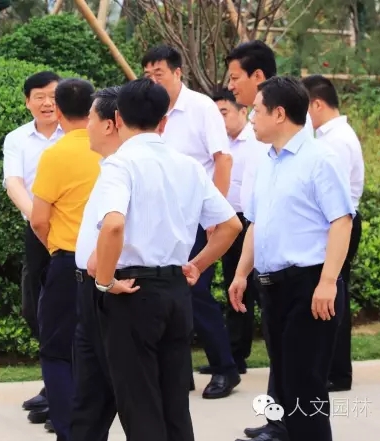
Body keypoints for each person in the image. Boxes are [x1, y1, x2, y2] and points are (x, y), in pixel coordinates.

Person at [91, 77, 243, 441]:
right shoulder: (188, 166)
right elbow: (230, 225)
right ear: (164, 121)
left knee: (140, 403)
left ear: (118, 118)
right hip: (176, 289)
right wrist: (198, 265)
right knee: (175, 404)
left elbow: (113, 225)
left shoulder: (119, 165)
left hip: (133, 290)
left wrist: (105, 282)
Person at [229, 76, 355, 441]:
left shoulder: (320, 159)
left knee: (304, 388)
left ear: (279, 114)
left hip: (309, 287)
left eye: (257, 110)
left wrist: (328, 283)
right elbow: (256, 224)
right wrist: (241, 274)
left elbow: (342, 222)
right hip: (273, 289)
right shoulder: (268, 161)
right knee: (285, 386)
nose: (251, 117)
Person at [141, 44, 240, 400]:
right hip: (163, 220)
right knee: (168, 293)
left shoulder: (201, 108)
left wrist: (217, 214)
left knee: (194, 291)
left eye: (159, 73)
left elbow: (222, 160)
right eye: (148, 74)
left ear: (178, 72)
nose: (153, 80)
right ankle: (179, 374)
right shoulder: (148, 110)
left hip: (199, 218)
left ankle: (225, 368)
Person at [30, 78, 100, 441]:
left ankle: (69, 431)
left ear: (57, 111)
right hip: (110, 263)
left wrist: (53, 248)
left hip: (67, 261)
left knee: (57, 351)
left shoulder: (54, 155)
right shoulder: (111, 150)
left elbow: (38, 220)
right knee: (99, 351)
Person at [224, 39, 287, 441]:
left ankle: (287, 425)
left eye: (235, 77)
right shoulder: (258, 127)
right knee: (280, 350)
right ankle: (278, 421)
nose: (231, 85)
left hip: (292, 264)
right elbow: (257, 213)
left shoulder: (285, 127)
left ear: (258, 76)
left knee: (294, 359)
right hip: (261, 246)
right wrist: (243, 271)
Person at [3, 70, 63, 426]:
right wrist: (39, 221)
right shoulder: (17, 139)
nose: (47, 103)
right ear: (27, 102)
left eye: (53, 95)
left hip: (72, 234)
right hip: (37, 231)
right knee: (34, 309)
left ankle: (65, 393)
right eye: (39, 96)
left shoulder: (76, 133)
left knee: (66, 312)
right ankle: (55, 382)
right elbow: (14, 183)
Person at [302, 74, 365, 392]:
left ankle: (337, 373)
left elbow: (332, 198)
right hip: (335, 223)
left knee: (333, 296)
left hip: (339, 224)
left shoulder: (335, 141)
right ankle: (332, 370)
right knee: (333, 296)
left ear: (317, 104)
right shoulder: (329, 137)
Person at [70, 85, 122, 441]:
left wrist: (103, 273)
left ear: (109, 124)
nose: (84, 125)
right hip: (90, 289)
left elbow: (120, 227)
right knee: (88, 397)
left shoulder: (125, 169)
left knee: (126, 394)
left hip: (108, 289)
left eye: (90, 118)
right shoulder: (107, 167)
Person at [209, 88, 261, 375]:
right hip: (228, 220)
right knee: (234, 285)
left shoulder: (256, 140)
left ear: (243, 111)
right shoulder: (219, 146)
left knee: (258, 287)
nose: (220, 120)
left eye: (224, 112)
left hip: (252, 220)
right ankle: (234, 355)